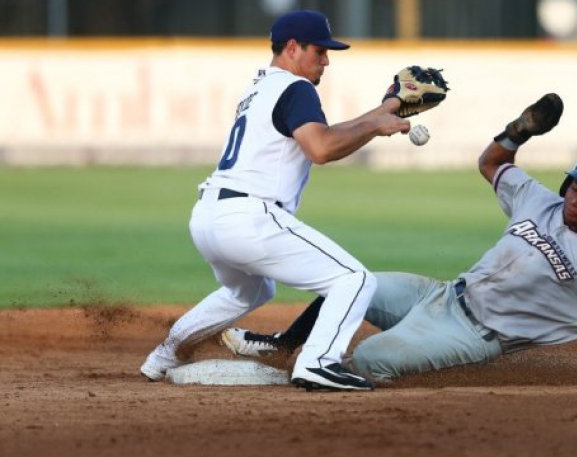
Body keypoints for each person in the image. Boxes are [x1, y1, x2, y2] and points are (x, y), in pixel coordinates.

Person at [221, 93, 577, 386]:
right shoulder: (539, 201)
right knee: (351, 284)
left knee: (372, 360)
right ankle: (282, 347)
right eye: (574, 185)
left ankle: (326, 376)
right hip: (440, 294)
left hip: (473, 334)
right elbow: (492, 164)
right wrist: (517, 131)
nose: (574, 198)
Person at [140, 9, 411, 391]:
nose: (326, 60)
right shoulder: (297, 88)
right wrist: (373, 125)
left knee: (249, 290)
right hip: (250, 219)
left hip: (209, 216)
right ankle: (318, 363)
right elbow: (321, 148)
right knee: (353, 279)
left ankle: (163, 356)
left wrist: (384, 111)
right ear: (292, 48)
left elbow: (325, 133)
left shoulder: (262, 88)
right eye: (320, 51)